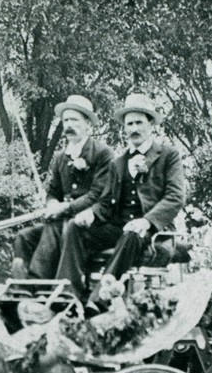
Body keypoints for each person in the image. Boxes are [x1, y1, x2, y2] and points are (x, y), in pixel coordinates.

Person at [54, 92, 185, 306]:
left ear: (151, 124)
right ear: (124, 128)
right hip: (118, 228)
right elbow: (106, 204)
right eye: (129, 124)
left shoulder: (168, 156)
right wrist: (90, 213)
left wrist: (147, 220)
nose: (134, 128)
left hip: (152, 233)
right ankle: (68, 297)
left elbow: (175, 197)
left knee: (131, 233)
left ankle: (99, 301)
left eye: (139, 123)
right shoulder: (118, 163)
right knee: (74, 227)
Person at [11, 94, 114, 278]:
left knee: (56, 226)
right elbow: (53, 191)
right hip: (62, 220)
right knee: (24, 236)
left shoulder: (103, 153)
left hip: (91, 223)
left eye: (74, 120)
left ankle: (38, 281)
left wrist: (65, 208)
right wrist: (51, 204)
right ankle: (22, 289)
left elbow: (98, 194)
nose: (68, 125)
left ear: (88, 124)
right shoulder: (61, 157)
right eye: (65, 120)